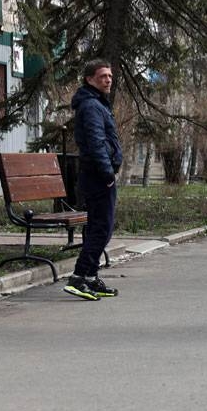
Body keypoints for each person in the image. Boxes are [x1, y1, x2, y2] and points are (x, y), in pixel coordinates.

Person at [64, 59, 123, 301]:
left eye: (109, 76)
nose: (108, 80)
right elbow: (96, 142)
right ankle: (79, 276)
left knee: (99, 228)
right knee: (102, 228)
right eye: (102, 76)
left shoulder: (97, 104)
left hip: (98, 174)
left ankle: (90, 277)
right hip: (98, 175)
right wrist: (107, 173)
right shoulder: (91, 106)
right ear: (89, 79)